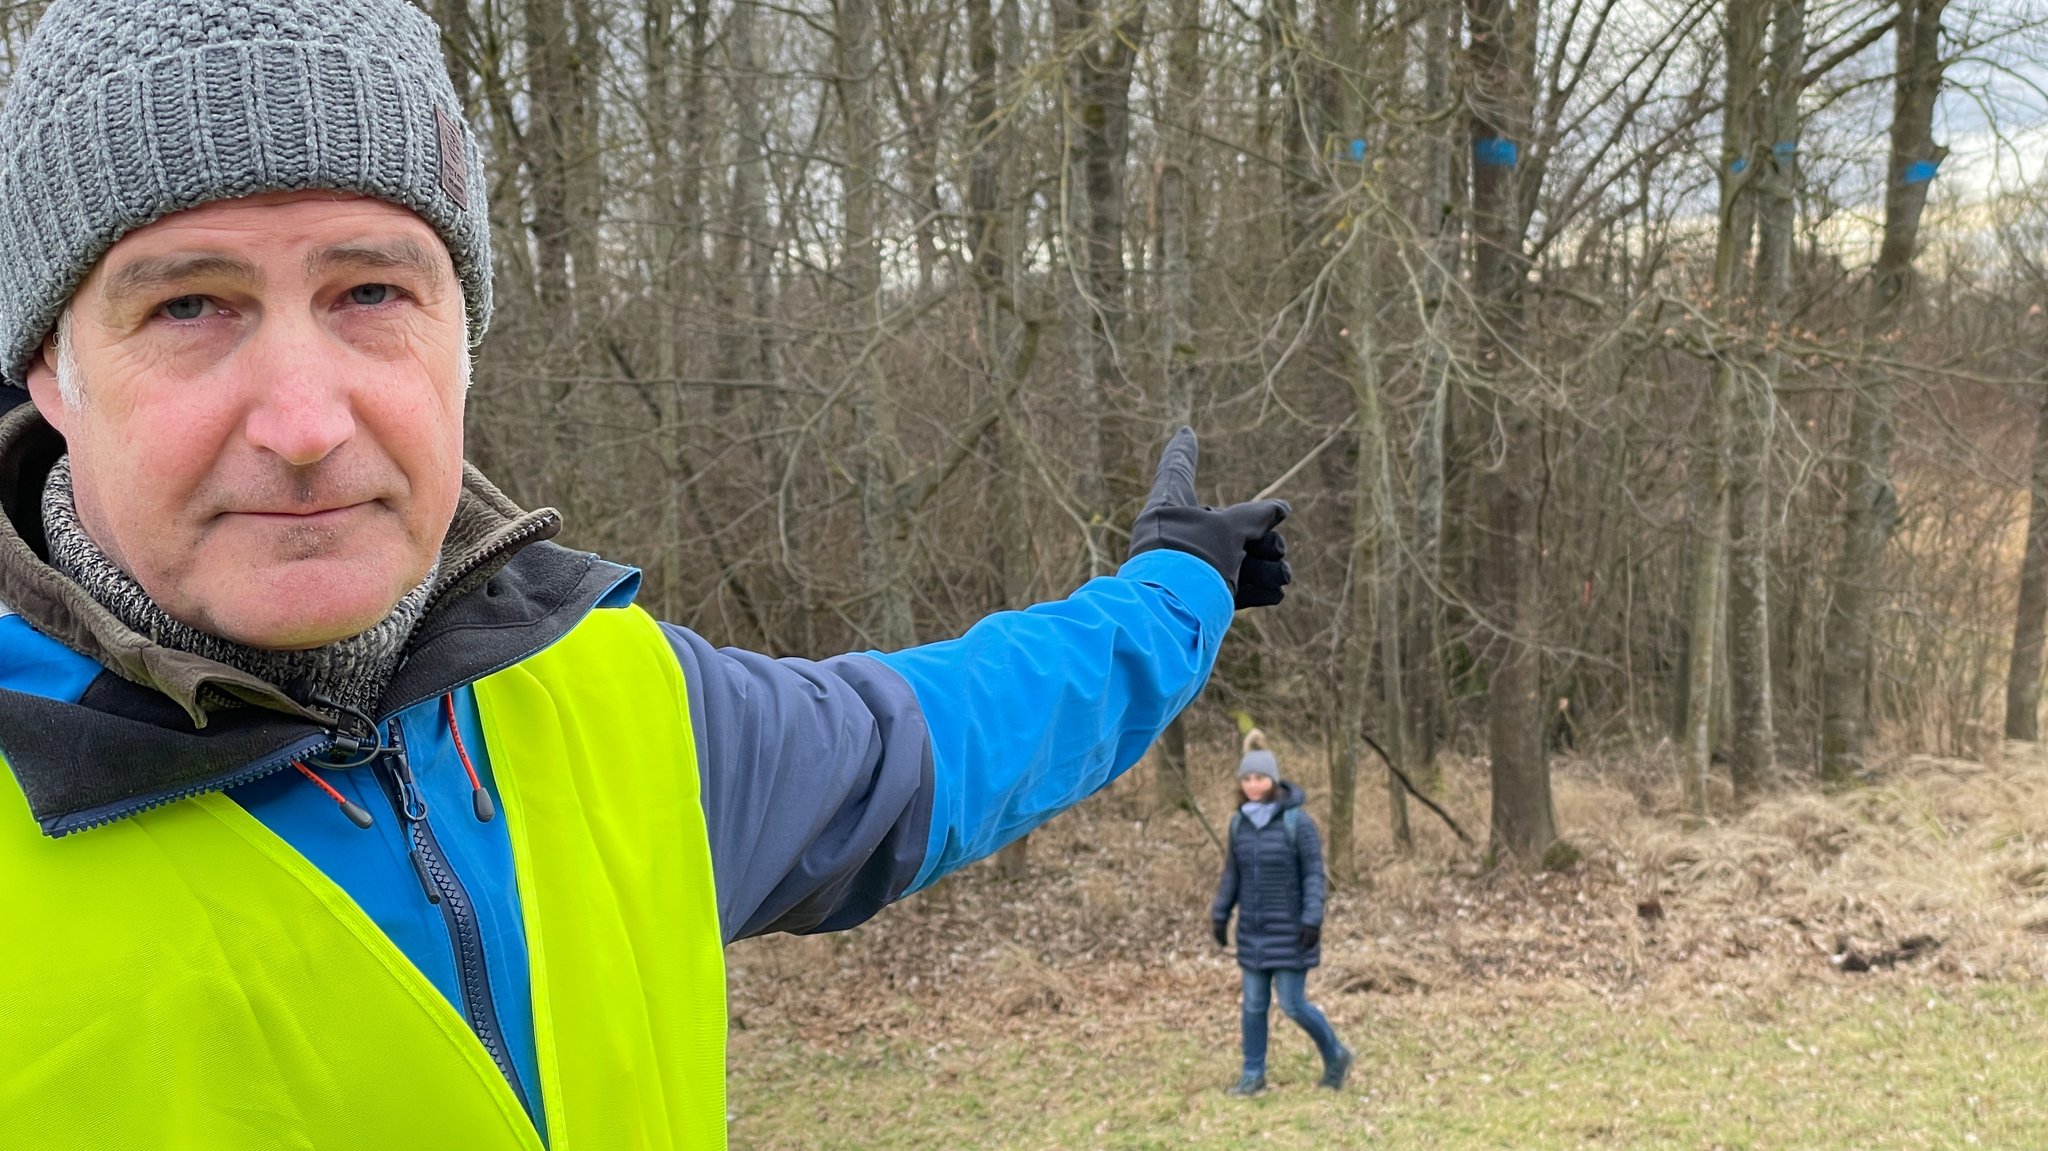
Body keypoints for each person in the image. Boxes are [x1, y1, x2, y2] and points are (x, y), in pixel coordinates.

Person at [0, 3, 1292, 1148]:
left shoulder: (620, 704)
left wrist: (1180, 582)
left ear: (463, 334)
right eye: (188, 306)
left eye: (372, 289)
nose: (303, 419)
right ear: (51, 365)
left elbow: (963, 723)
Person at [1210, 729, 1353, 1095]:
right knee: (1254, 1005)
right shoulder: (1238, 823)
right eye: (1247, 779)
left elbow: (1314, 874)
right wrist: (1221, 913)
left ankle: (1335, 1053)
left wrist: (1311, 919)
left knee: (1292, 1004)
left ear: (1273, 780)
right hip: (1253, 933)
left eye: (1260, 778)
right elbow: (1233, 872)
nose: (1253, 785)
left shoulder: (1298, 823)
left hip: (1291, 931)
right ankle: (1252, 1075)